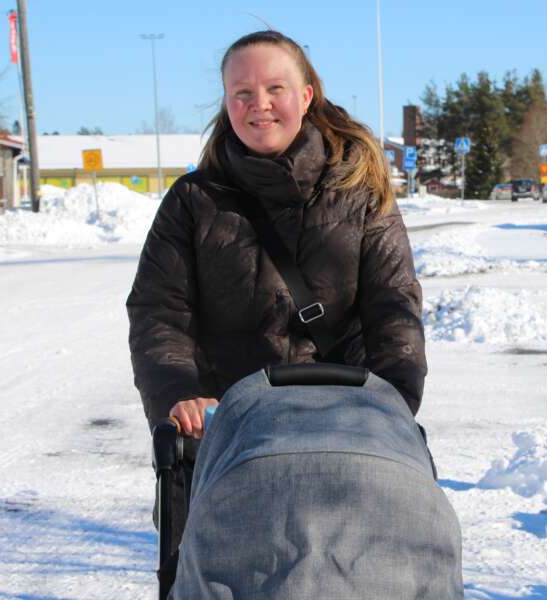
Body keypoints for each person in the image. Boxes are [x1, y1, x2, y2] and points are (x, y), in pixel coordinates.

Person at [127, 29, 426, 549]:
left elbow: (393, 306)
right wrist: (179, 395)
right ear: (226, 101)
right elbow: (159, 311)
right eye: (242, 92)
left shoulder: (359, 192)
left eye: (275, 89)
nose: (258, 105)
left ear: (306, 95)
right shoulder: (194, 200)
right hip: (229, 434)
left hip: (346, 429)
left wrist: (394, 401)